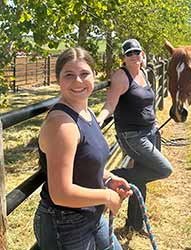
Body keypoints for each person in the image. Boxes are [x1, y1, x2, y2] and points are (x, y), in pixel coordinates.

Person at [33, 47, 132, 250]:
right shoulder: (63, 125)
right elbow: (60, 193)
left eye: (84, 74)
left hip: (89, 216)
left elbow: (83, 161)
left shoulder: (86, 113)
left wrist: (107, 178)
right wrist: (106, 196)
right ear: (58, 79)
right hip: (65, 223)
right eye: (69, 75)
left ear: (94, 76)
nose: (78, 81)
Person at [97, 39, 173, 237]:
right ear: (123, 57)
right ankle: (110, 176)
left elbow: (147, 103)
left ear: (142, 54)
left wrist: (154, 123)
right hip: (132, 136)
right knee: (164, 169)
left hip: (150, 132)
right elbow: (110, 105)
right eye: (129, 53)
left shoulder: (144, 74)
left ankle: (134, 224)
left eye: (136, 52)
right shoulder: (121, 77)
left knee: (141, 178)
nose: (134, 56)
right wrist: (98, 120)